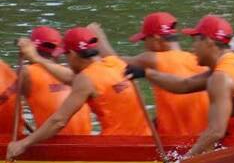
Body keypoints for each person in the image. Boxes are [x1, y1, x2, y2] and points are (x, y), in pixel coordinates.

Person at [146, 15, 234, 160]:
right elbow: (185, 85)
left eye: (196, 40)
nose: (193, 48)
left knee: (206, 141)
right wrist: (146, 73)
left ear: (209, 41)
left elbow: (215, 132)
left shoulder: (221, 77)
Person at [7, 27, 149, 154]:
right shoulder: (115, 62)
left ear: (73, 54)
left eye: (66, 55)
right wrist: (37, 58)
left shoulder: (86, 78)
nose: (66, 59)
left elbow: (59, 121)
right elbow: (72, 78)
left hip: (116, 147)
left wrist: (24, 143)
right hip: (146, 141)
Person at [120, 12, 208, 141]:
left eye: (145, 40)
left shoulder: (152, 58)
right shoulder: (201, 61)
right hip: (203, 139)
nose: (145, 45)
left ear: (156, 38)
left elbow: (112, 62)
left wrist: (97, 38)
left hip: (173, 143)